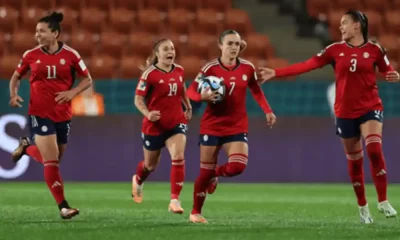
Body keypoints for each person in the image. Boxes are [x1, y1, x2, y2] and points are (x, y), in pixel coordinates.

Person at [258, 10, 399, 224]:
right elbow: (307, 65)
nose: (340, 27)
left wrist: (394, 75)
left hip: (370, 107)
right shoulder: (334, 50)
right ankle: (363, 207)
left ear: (357, 26)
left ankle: (382, 200)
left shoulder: (375, 49)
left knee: (374, 149)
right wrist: (277, 72)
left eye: (344, 23)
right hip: (344, 112)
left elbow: (387, 70)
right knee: (355, 162)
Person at [186, 29, 276, 223]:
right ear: (221, 46)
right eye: (229, 44)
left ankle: (214, 175)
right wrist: (201, 97)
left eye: (236, 44)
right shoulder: (209, 69)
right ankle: (195, 213)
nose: (234, 47)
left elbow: (256, 90)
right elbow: (191, 91)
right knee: (204, 172)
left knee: (237, 166)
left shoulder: (247, 68)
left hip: (236, 126)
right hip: (211, 126)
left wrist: (267, 110)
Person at [9, 12, 92, 219]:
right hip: (39, 113)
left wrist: (72, 93)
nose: (37, 35)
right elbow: (16, 76)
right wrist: (13, 94)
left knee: (55, 160)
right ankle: (63, 207)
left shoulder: (71, 55)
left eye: (42, 31)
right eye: (36, 31)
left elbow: (87, 79)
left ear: (55, 33)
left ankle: (27, 147)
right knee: (52, 161)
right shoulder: (31, 55)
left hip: (63, 114)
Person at [132, 38, 192, 214]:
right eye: (166, 49)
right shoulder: (149, 74)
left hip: (176, 122)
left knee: (178, 156)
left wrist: (187, 106)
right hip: (154, 126)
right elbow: (137, 99)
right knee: (150, 166)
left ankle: (175, 200)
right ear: (157, 54)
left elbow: (181, 88)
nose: (170, 52)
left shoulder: (179, 70)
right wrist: (148, 114)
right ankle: (138, 179)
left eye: (172, 49)